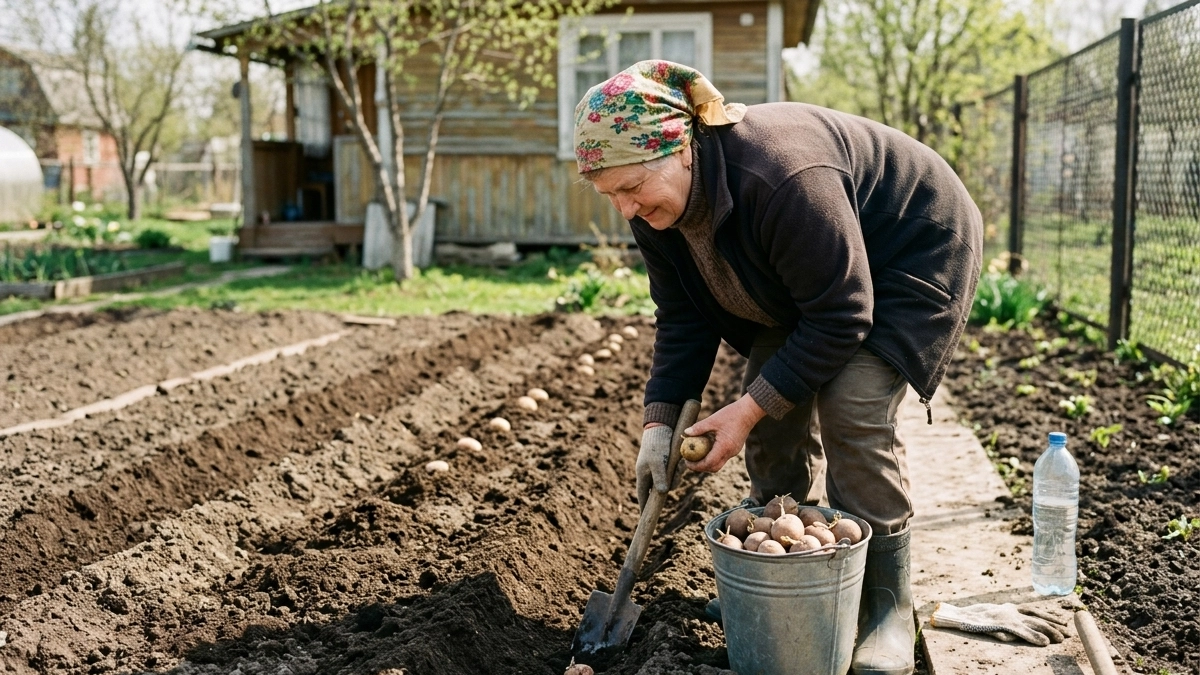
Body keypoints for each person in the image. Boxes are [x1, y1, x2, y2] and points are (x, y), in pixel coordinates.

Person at [573, 61, 982, 675]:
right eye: (611, 197)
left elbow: (843, 315)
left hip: (908, 250)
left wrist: (745, 409)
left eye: (631, 188)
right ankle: (783, 570)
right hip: (808, 280)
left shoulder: (782, 173)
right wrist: (657, 425)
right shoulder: (654, 210)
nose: (626, 209)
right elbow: (682, 315)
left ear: (681, 148)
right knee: (768, 421)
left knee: (852, 408)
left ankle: (884, 608)